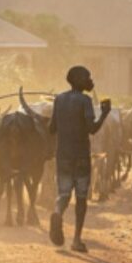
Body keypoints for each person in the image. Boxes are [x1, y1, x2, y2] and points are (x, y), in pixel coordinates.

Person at [48, 66, 111, 253]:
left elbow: (52, 129)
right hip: (82, 156)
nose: (90, 81)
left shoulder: (59, 99)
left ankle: (57, 212)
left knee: (64, 194)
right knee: (81, 198)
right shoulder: (85, 101)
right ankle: (76, 240)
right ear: (77, 80)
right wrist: (105, 113)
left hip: (63, 156)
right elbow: (92, 129)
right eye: (87, 78)